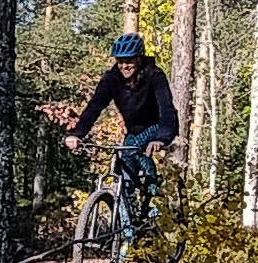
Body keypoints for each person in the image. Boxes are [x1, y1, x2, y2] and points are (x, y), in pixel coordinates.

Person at [46, 32, 179, 179]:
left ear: (139, 59)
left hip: (156, 127)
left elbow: (166, 109)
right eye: (120, 61)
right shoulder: (111, 79)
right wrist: (77, 134)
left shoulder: (155, 76)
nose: (124, 66)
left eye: (128, 61)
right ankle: (125, 199)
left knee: (131, 152)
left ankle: (152, 188)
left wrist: (161, 138)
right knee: (124, 170)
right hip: (132, 131)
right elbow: (94, 107)